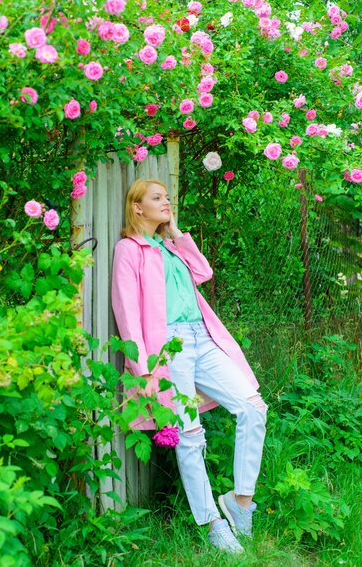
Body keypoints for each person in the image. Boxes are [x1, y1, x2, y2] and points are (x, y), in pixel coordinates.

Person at [111, 178, 267, 554]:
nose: (166, 203)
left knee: (252, 406)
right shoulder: (128, 250)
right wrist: (144, 367)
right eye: (157, 199)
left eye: (167, 197)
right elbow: (126, 309)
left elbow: (203, 272)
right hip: (168, 346)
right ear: (137, 207)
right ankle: (211, 522)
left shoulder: (168, 246)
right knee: (189, 431)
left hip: (202, 337)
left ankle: (240, 501)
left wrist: (178, 235)